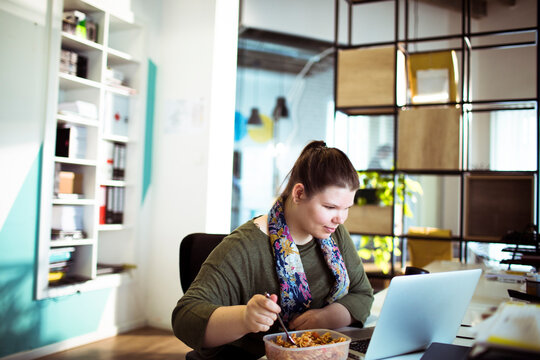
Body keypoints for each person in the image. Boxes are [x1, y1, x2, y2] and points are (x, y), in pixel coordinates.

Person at [172, 140, 374, 359]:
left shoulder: (333, 233)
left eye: (346, 208)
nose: (340, 218)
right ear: (299, 194)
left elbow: (362, 293)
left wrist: (324, 319)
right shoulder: (244, 247)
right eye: (330, 207)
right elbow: (184, 319)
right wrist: (245, 318)